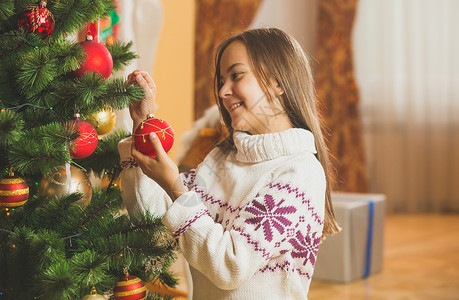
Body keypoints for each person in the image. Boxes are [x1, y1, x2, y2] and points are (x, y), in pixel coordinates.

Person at [118, 27, 340, 299]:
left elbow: (230, 266)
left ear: (278, 82)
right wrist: (142, 127)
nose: (223, 91)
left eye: (236, 75)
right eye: (222, 80)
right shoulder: (222, 158)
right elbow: (150, 220)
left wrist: (176, 186)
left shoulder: (300, 172)